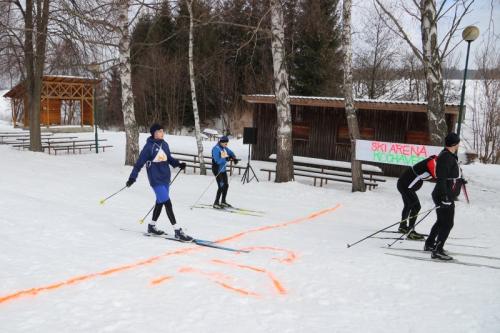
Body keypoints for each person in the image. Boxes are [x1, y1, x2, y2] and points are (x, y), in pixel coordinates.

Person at [126, 123, 193, 242]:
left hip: (165, 178)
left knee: (160, 202)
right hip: (155, 179)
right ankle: (177, 231)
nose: (162, 133)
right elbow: (138, 164)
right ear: (154, 133)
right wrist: (132, 178)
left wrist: (178, 164)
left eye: (163, 131)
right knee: (167, 202)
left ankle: (152, 226)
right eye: (160, 131)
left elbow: (169, 158)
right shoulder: (148, 147)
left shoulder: (165, 144)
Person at [424, 132, 463, 260]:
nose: (458, 144)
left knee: (442, 221)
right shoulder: (446, 157)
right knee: (447, 223)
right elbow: (441, 178)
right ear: (454, 144)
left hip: (445, 193)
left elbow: (449, 176)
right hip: (444, 195)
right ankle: (437, 250)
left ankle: (430, 244)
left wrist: (459, 181)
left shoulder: (449, 155)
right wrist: (444, 196)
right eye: (457, 142)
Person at [396, 154, 438, 240]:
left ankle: (402, 227)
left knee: (408, 205)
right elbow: (437, 177)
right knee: (416, 206)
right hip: (406, 185)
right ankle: (410, 232)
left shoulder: (433, 161)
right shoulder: (432, 162)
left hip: (404, 184)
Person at [211, 136, 238, 209]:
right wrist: (226, 158)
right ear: (221, 142)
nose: (226, 145)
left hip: (223, 170)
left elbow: (230, 152)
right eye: (225, 143)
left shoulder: (223, 148)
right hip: (217, 169)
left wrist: (234, 157)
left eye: (227, 143)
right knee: (221, 186)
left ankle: (223, 201)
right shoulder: (216, 149)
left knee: (226, 185)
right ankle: (216, 203)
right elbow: (217, 161)